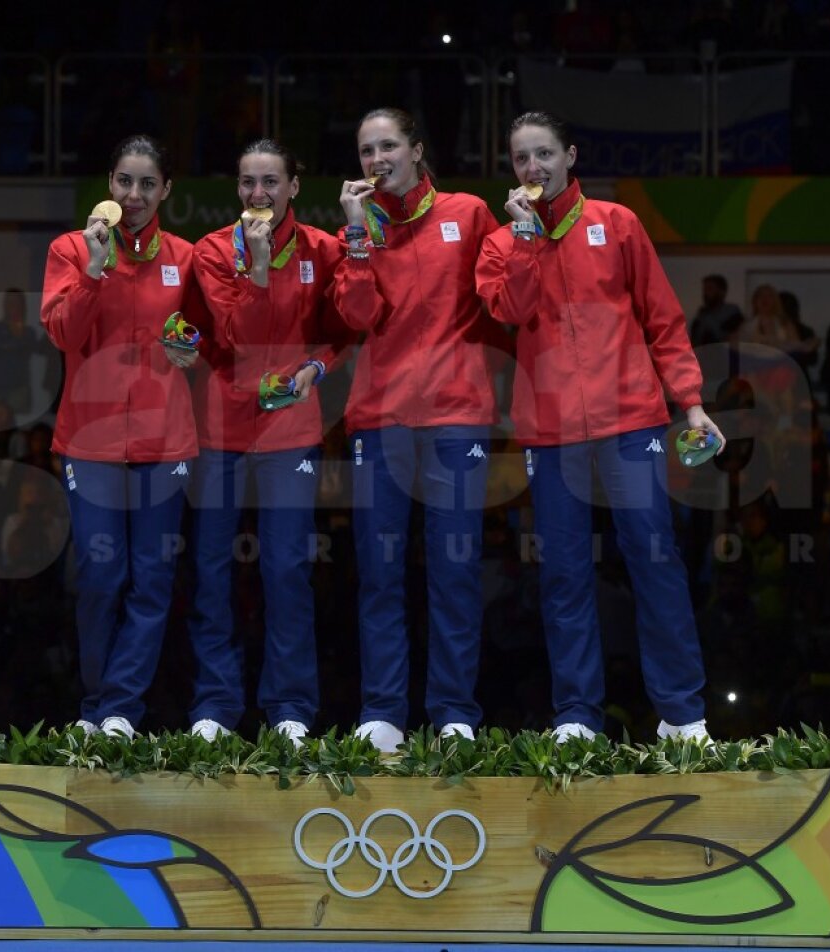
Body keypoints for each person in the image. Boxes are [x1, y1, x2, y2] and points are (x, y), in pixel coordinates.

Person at [475, 110, 726, 745]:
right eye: (521, 159)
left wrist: (690, 402)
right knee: (562, 575)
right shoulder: (503, 243)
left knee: (655, 561)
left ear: (570, 156)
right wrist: (527, 238)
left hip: (630, 422)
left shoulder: (618, 224)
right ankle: (579, 719)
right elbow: (510, 310)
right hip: (551, 432)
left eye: (544, 155)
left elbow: (663, 319)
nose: (533, 169)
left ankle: (681, 715)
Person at [334, 107, 501, 753]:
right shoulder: (363, 229)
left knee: (455, 572)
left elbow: (500, 303)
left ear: (417, 149)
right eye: (366, 150)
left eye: (388, 146)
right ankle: (382, 711)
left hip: (457, 417)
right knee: (379, 574)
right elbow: (356, 314)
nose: (377, 159)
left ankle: (455, 710)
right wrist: (354, 236)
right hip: (378, 419)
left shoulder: (469, 213)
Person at [186, 139, 349, 747]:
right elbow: (236, 335)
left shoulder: (322, 250)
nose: (259, 195)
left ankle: (290, 709)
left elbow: (347, 326)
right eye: (248, 183)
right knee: (210, 572)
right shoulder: (210, 252)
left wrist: (320, 365)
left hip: (290, 430)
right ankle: (214, 704)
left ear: (294, 186)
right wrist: (256, 268)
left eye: (271, 182)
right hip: (222, 429)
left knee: (286, 572)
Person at [40, 134, 201, 740]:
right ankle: (96, 703)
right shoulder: (69, 250)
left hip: (167, 442)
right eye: (124, 182)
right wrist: (95, 268)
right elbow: (63, 333)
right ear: (108, 184)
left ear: (166, 192)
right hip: (90, 442)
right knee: (103, 576)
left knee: (153, 581)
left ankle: (118, 716)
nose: (133, 196)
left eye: (147, 185)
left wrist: (192, 346)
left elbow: (203, 335)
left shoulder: (184, 257)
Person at [689, 274, 742, 347]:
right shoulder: (700, 315)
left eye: (710, 289)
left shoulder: (732, 312)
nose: (706, 293)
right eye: (704, 289)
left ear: (722, 291)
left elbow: (730, 338)